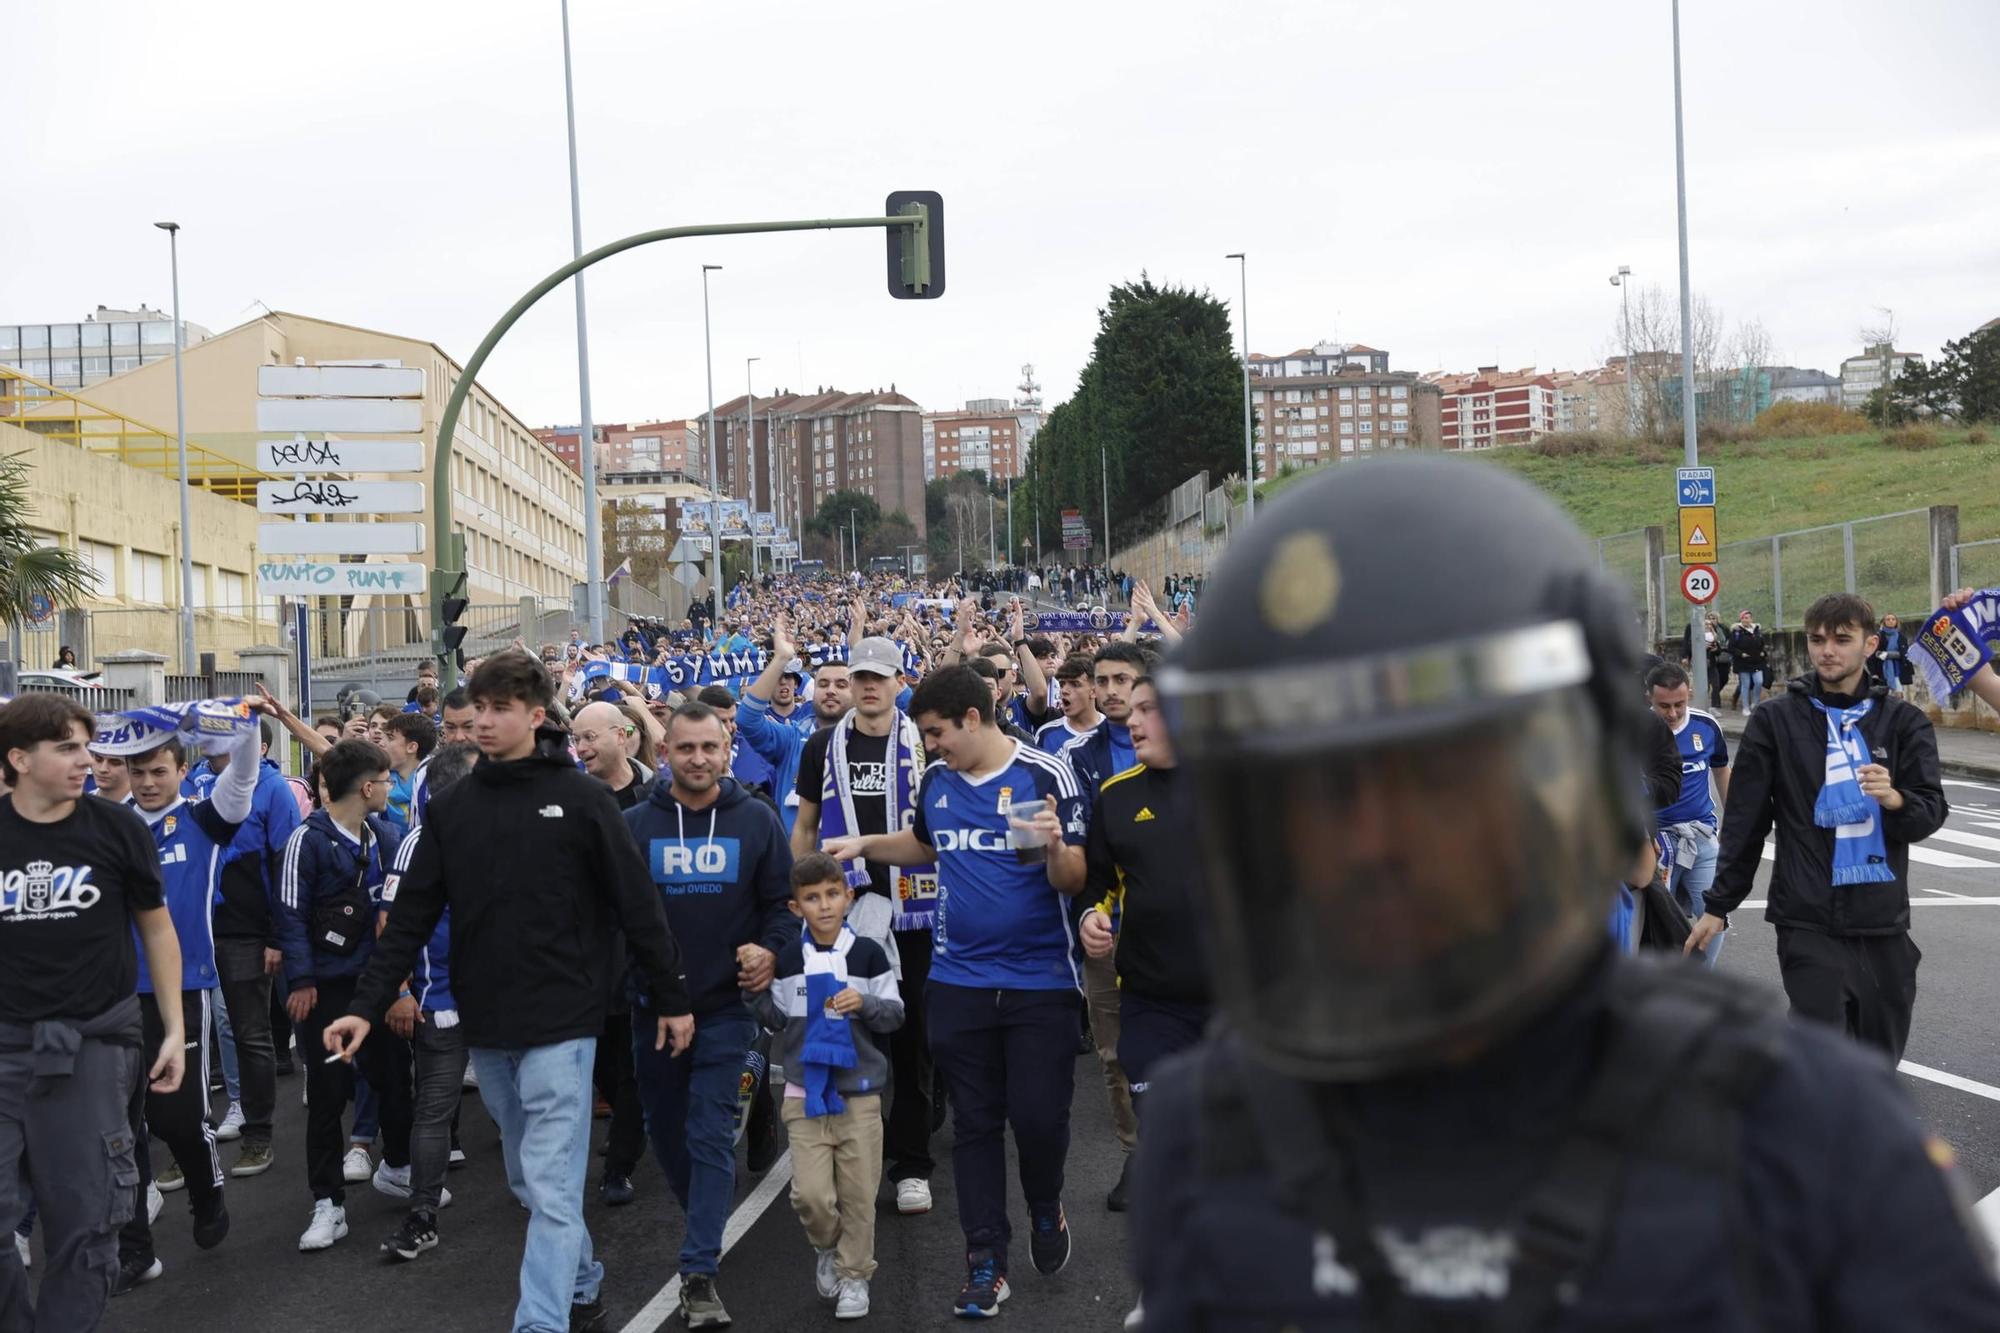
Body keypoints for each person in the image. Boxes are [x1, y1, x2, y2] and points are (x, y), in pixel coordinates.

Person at [1134, 456, 2000, 1330]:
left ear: (1573, 778)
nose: (1365, 845)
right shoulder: (1209, 1130)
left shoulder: (1807, 1131)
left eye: (1433, 783)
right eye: (1307, 791)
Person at [324, 652, 694, 1333]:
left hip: (565, 1020)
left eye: (499, 709)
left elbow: (638, 904)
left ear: (534, 715)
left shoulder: (581, 800)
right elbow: (407, 920)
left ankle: (541, 1321)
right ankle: (582, 1280)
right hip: (485, 1024)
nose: (483, 723)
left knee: (552, 1187)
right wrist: (361, 1007)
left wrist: (670, 997)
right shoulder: (453, 807)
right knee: (529, 1180)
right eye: (475, 712)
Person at [824, 665, 1089, 1318]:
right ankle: (985, 1261)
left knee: (1036, 1119)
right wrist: (864, 844)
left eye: (938, 732)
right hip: (958, 984)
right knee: (973, 1124)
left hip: (1039, 985)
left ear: (974, 718)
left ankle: (1045, 1201)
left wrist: (1055, 848)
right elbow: (924, 844)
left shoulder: (1034, 777)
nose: (932, 745)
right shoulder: (939, 784)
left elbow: (1070, 876)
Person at [1692, 593, 1948, 1060]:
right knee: (1823, 1065)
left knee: (1877, 1067)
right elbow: (1746, 822)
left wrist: (1895, 799)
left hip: (1882, 923)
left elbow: (1929, 813)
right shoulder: (1776, 720)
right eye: (1817, 639)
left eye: (1842, 639)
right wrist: (1718, 904)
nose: (1827, 650)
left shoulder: (1904, 723)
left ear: (1870, 645)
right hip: (1806, 920)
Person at [0, 695, 186, 1331]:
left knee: (87, 1223)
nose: (90, 760)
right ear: (20, 759)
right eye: (69, 748)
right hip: (3, 1046)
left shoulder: (117, 829)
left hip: (93, 1045)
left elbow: (158, 932)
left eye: (88, 745)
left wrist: (175, 1031)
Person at [623, 701, 795, 1329]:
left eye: (710, 748)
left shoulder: (756, 820)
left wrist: (770, 950)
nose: (698, 759)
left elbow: (782, 906)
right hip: (655, 1012)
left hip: (728, 1010)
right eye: (686, 748)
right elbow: (617, 919)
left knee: (709, 1131)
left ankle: (698, 1271)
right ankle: (705, 1217)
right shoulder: (636, 825)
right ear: (664, 752)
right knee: (668, 1137)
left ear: (727, 751)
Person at [116, 719, 269, 1288]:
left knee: (177, 1117)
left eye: (160, 771)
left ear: (186, 770)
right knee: (120, 1126)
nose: (148, 782)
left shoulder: (206, 819)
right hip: (112, 992)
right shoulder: (112, 825)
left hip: (182, 989)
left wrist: (243, 721)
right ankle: (135, 1246)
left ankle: (207, 1192)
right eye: (139, 771)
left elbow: (246, 772)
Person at [794, 636, 939, 1218]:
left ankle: (912, 1162)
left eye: (881, 676)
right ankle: (841, 1153)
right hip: (843, 909)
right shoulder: (822, 745)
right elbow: (805, 825)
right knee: (840, 1031)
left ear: (900, 681)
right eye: (860, 676)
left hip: (917, 907)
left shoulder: (923, 741)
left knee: (912, 1035)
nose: (869, 686)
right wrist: (795, 891)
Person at [746, 852, 905, 1321]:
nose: (824, 905)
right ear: (796, 908)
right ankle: (826, 1245)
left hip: (859, 1092)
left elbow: (896, 1014)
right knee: (811, 1196)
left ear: (848, 896)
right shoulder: (789, 959)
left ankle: (856, 1276)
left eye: (833, 894)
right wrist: (752, 990)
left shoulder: (868, 954)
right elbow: (775, 1019)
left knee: (859, 1195)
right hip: (804, 1091)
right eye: (812, 898)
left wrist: (866, 1004)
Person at [272, 739, 411, 1253]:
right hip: (327, 994)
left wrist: (398, 985)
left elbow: (401, 915)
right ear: (368, 786)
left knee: (395, 1080)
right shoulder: (304, 842)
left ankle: (398, 1167)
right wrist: (303, 981)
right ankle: (328, 1202)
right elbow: (288, 916)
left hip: (375, 988)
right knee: (328, 1095)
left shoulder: (386, 835)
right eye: (387, 779)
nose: (393, 787)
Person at [1075, 673, 1206, 1217]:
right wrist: (1089, 915)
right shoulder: (1117, 795)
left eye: (1148, 709)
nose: (1133, 720)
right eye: (1132, 710)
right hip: (1151, 999)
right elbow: (1096, 880)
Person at [373, 741, 477, 1262]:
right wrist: (398, 991)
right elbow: (389, 924)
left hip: (509, 1004)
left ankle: (551, 1209)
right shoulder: (418, 843)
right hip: (444, 1004)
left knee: (529, 1110)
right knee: (434, 1112)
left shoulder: (508, 836)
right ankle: (422, 1214)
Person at [188, 719, 301, 1179]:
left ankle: (258, 1135)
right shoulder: (193, 781)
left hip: (246, 932)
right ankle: (187, 1142)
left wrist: (278, 936)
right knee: (190, 1035)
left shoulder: (271, 788)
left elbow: (285, 864)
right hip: (195, 929)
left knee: (249, 1031)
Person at [1644, 662, 1730, 968]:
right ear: (1648, 698)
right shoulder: (1638, 731)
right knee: (1658, 924)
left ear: (1689, 694)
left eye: (1679, 704)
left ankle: (1701, 979)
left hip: (1701, 838)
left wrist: (1732, 822)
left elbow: (1721, 770)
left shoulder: (1706, 727)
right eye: (1663, 705)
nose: (1672, 713)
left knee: (1715, 913)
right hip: (1656, 845)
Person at [1034, 655, 1102, 756]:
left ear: (1094, 691)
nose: (1064, 691)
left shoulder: (1115, 731)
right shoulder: (1046, 735)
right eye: (1062, 684)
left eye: (1075, 684)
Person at [1727, 609, 1768, 710]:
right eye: (1744, 618)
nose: (1746, 620)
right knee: (1745, 684)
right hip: (1743, 663)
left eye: (1748, 618)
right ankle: (1745, 707)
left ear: (1751, 619)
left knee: (1759, 681)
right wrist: (1741, 654)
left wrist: (1763, 652)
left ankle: (1755, 703)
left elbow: (1762, 643)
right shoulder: (1737, 632)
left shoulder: (1757, 630)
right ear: (1741, 619)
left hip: (1757, 661)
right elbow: (1731, 647)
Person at [1871, 612, 1909, 694]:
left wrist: (1888, 655)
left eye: (1893, 619)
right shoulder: (1878, 636)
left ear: (1896, 622)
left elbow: (1904, 654)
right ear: (1883, 622)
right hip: (1882, 671)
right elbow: (1872, 655)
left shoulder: (1901, 637)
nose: (1891, 621)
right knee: (1884, 698)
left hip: (1897, 671)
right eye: (1888, 619)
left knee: (1899, 697)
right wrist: (1873, 673)